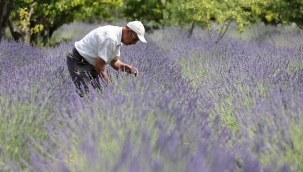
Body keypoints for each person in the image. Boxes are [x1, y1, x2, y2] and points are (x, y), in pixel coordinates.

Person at [66, 21, 147, 96]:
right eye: (135, 39)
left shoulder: (118, 37)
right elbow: (99, 67)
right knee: (86, 95)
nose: (134, 43)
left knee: (101, 93)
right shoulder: (111, 39)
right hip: (78, 60)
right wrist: (110, 87)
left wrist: (128, 68)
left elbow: (114, 62)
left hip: (90, 62)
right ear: (128, 31)